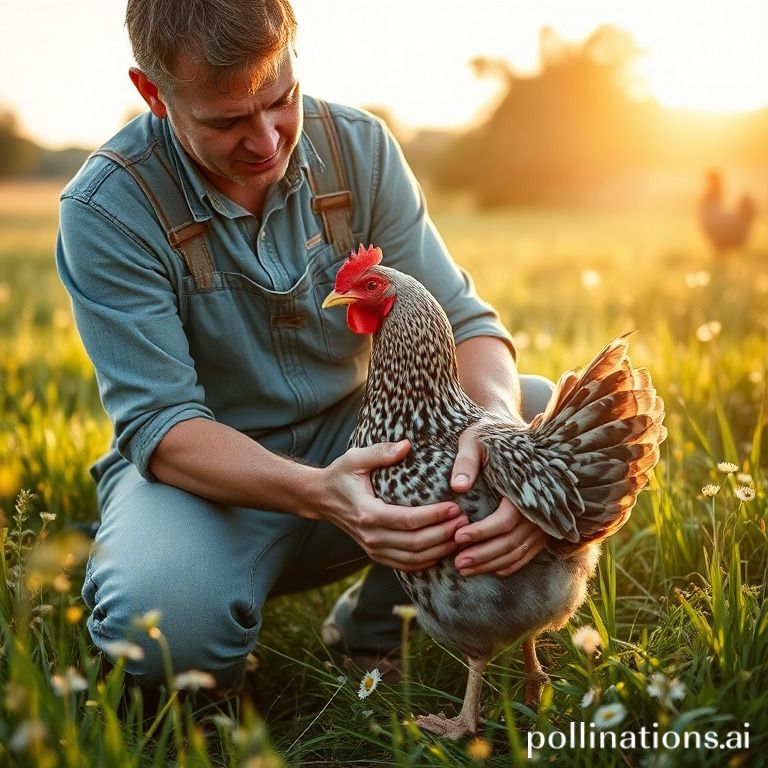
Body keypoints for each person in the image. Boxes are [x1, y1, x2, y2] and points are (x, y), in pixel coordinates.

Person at [56, 0, 552, 692]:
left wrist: (496, 431)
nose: (265, 140)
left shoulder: (360, 147)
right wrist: (322, 494)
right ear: (152, 94)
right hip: (210, 479)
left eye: (280, 99)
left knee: (529, 405)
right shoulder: (108, 209)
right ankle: (185, 596)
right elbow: (162, 427)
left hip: (361, 444)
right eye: (227, 120)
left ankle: (379, 627)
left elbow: (465, 323)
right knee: (162, 636)